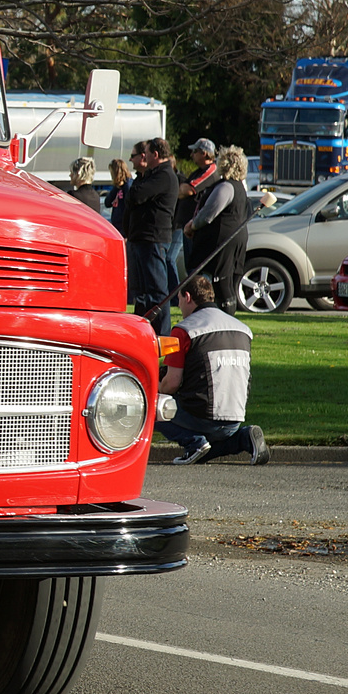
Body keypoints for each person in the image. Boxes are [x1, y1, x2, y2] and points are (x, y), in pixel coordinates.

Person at [157, 273, 268, 465]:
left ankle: (193, 442)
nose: (179, 306)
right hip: (235, 417)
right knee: (207, 451)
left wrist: (156, 388)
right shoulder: (242, 329)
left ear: (188, 297)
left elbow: (171, 383)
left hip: (202, 416)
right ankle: (244, 437)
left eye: (179, 300)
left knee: (149, 405)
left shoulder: (184, 330)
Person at [184, 145, 251, 309]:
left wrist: (192, 226)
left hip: (222, 241)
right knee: (226, 282)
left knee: (221, 283)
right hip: (235, 238)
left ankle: (222, 316)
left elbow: (208, 214)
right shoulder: (240, 187)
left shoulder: (226, 186)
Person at [125, 138, 179, 335]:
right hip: (141, 238)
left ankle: (162, 333)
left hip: (153, 239)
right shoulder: (152, 175)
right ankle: (141, 329)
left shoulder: (163, 175)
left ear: (155, 154)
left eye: (146, 153)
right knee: (140, 291)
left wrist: (135, 190)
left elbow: (136, 195)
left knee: (156, 291)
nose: (144, 158)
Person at [175, 137, 216, 286]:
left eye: (195, 152)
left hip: (197, 228)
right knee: (190, 267)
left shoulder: (211, 170)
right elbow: (181, 191)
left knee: (198, 268)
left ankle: (201, 298)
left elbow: (187, 190)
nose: (191, 155)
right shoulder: (197, 172)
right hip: (189, 226)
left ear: (204, 153)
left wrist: (182, 190)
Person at [106, 156, 134, 235]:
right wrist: (116, 187)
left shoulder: (128, 186)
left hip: (124, 228)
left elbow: (129, 208)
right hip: (116, 227)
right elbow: (107, 202)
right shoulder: (117, 187)